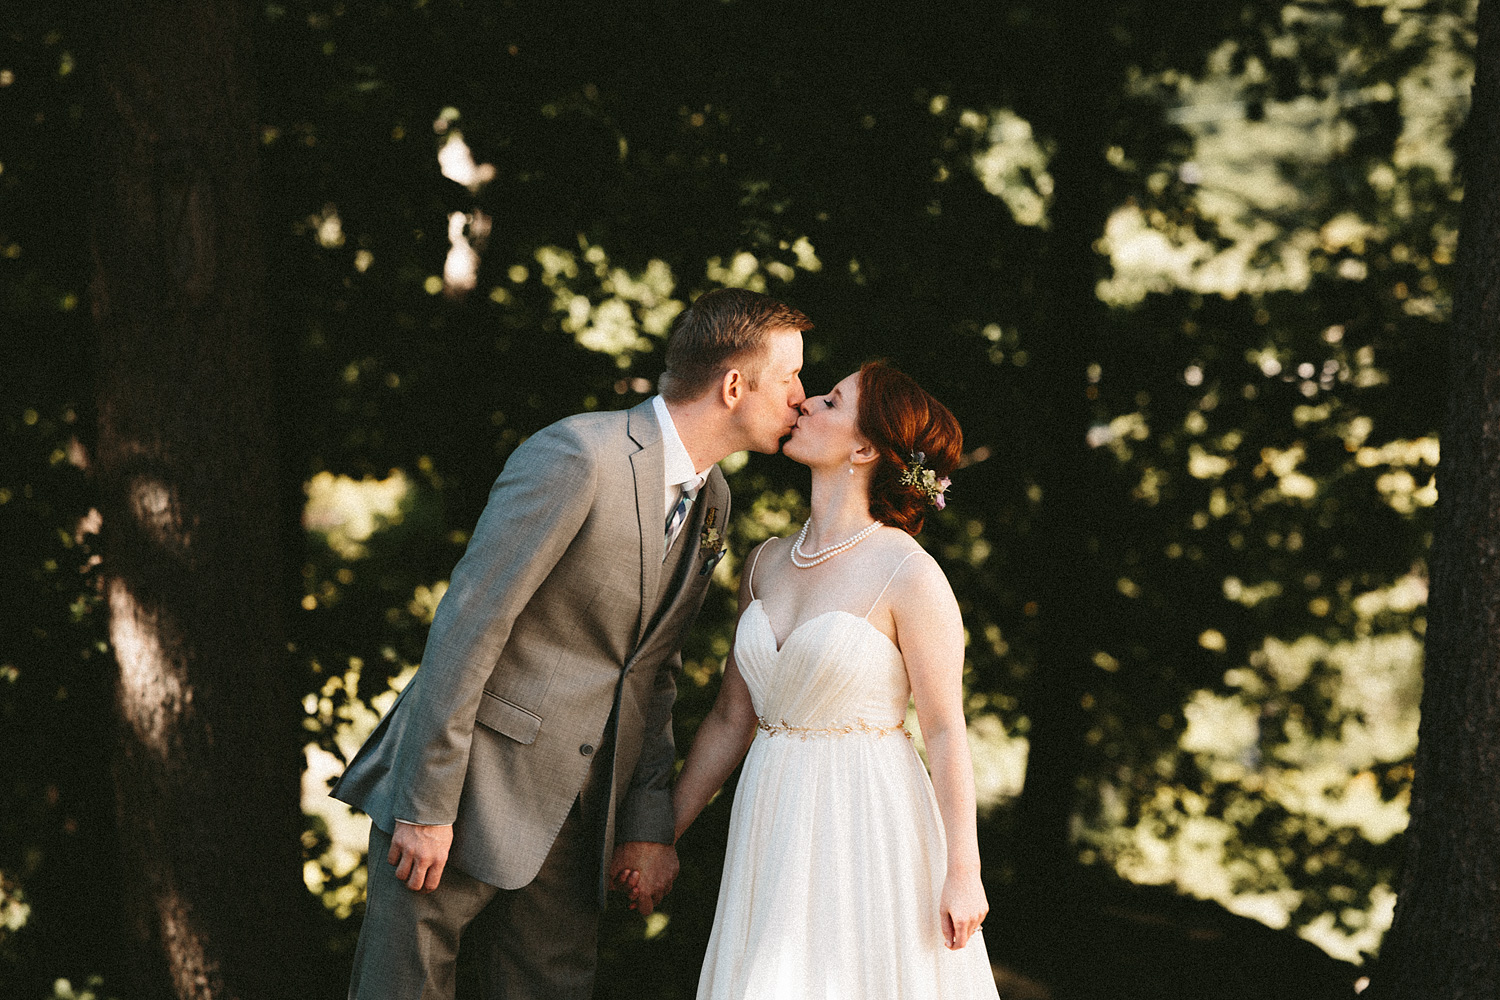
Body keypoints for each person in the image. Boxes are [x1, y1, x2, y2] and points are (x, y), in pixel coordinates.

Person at [331, 287, 812, 1000]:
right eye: (791, 377)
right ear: (733, 386)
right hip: (467, 792)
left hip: (581, 821)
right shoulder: (579, 455)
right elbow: (469, 625)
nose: (804, 397)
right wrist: (426, 804)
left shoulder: (713, 502)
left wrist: (647, 822)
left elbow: (656, 670)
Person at [644, 360, 1000, 999]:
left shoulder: (909, 575)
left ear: (864, 447)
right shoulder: (766, 562)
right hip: (772, 816)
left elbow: (946, 731)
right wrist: (660, 834)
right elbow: (731, 719)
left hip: (864, 819)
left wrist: (963, 872)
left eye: (832, 402)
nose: (805, 403)